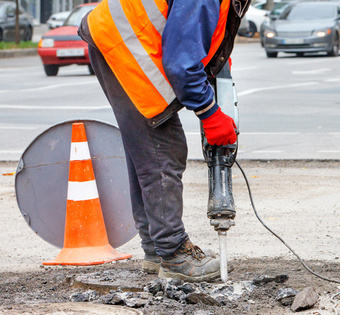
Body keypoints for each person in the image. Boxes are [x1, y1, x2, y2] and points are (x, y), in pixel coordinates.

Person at [78, 0, 249, 282]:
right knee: (162, 149)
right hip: (127, 44)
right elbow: (181, 64)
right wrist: (209, 113)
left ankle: (156, 249)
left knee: (145, 148)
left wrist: (216, 56)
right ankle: (173, 253)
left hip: (114, 37)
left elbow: (194, 32)